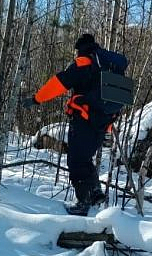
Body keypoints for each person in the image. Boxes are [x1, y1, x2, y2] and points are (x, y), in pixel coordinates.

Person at [22, 34, 113, 216]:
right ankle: (95, 192)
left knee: (75, 161)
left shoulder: (83, 64)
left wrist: (36, 99)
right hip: (102, 124)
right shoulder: (107, 67)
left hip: (84, 121)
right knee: (84, 158)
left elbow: (58, 83)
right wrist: (108, 129)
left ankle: (82, 203)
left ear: (80, 48)